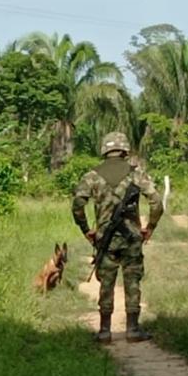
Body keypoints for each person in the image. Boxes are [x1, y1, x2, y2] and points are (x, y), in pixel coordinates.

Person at [72, 131, 163, 344]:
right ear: (124, 150)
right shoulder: (136, 174)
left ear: (104, 150)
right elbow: (156, 202)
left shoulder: (92, 175)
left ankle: (104, 331)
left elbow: (77, 205)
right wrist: (150, 227)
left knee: (106, 282)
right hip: (131, 238)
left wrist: (86, 230)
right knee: (132, 281)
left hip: (105, 239)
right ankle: (133, 329)